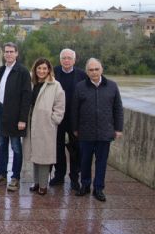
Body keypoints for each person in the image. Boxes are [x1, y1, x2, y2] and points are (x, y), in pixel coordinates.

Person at [72, 58, 123, 202]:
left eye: (96, 69)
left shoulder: (112, 86)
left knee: (101, 162)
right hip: (85, 132)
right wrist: (75, 128)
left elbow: (118, 109)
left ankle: (99, 188)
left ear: (102, 70)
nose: (94, 72)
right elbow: (74, 110)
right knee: (85, 161)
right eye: (90, 70)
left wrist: (118, 128)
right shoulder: (80, 87)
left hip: (105, 132)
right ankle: (85, 185)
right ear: (87, 72)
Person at [0, 42, 31, 192]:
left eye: (11, 52)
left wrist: (22, 119)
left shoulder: (23, 72)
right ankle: (2, 174)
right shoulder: (1, 70)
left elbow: (27, 97)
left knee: (15, 147)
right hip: (1, 112)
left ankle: (15, 177)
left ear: (16, 53)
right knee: (2, 145)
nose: (8, 54)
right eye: (6, 52)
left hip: (15, 115)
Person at [23, 58, 65, 195]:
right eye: (39, 68)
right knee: (35, 155)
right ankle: (36, 182)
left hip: (45, 125)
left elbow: (60, 106)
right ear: (35, 69)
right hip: (31, 124)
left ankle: (43, 185)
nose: (41, 71)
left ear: (49, 70)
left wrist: (53, 120)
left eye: (44, 69)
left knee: (44, 157)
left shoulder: (55, 85)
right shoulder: (31, 83)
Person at [51, 48, 87, 189]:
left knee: (76, 149)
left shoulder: (82, 75)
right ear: (60, 60)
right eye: (64, 58)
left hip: (75, 119)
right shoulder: (53, 73)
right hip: (57, 118)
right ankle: (59, 175)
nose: (66, 61)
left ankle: (74, 178)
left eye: (69, 58)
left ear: (74, 59)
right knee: (57, 148)